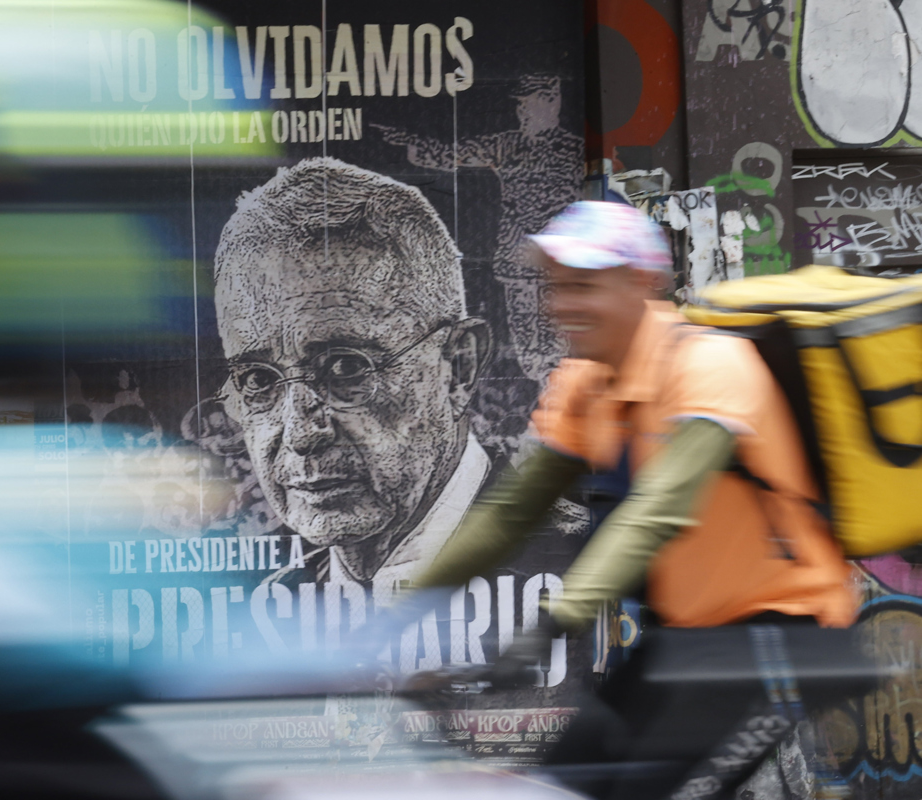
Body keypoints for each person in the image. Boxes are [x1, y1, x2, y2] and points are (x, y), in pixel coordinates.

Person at [410, 200, 859, 800]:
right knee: (568, 785)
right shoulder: (587, 383)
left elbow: (657, 509)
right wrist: (405, 609)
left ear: (642, 282)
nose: (562, 303)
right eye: (557, 286)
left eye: (585, 285)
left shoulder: (711, 365)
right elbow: (512, 512)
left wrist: (552, 624)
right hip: (688, 639)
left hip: (779, 638)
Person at [212, 157, 494, 596]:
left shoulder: (568, 565)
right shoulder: (262, 605)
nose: (302, 434)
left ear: (457, 368)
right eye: (258, 380)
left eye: (346, 367)